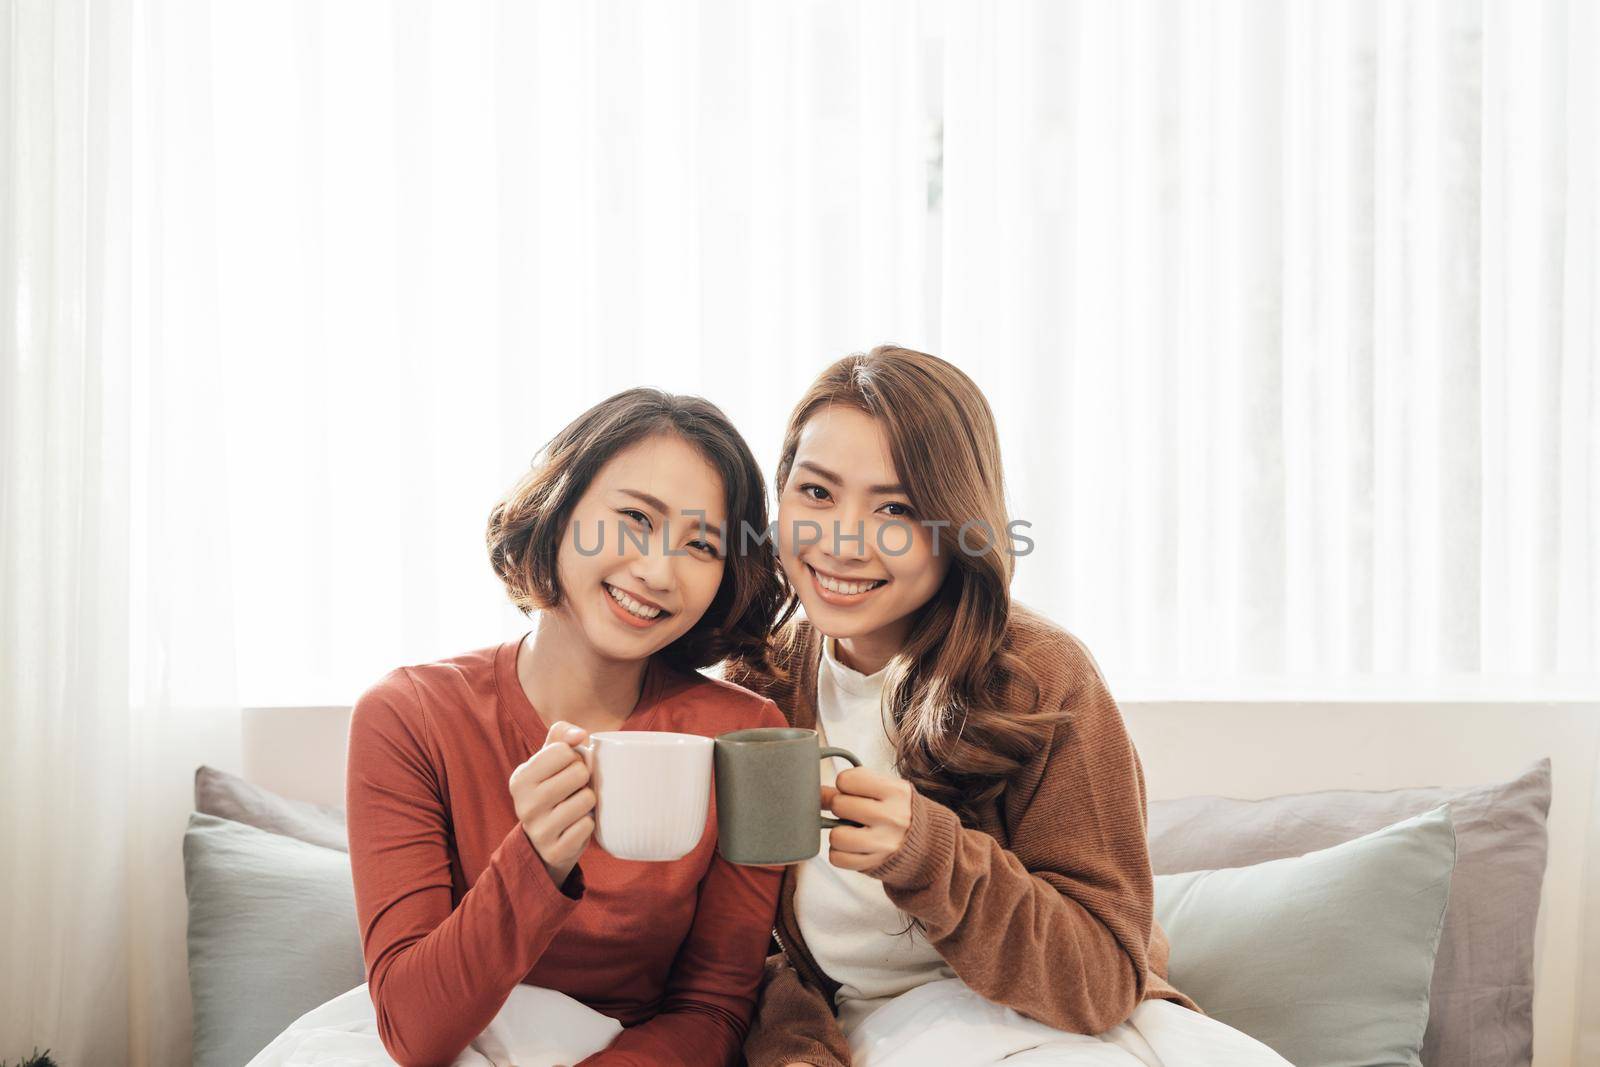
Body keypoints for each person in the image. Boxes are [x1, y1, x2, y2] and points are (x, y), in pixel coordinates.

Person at [727, 346, 1292, 1067]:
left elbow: (1104, 979)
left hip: (1076, 1028)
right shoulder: (759, 684)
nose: (844, 537)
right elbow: (754, 955)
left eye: (896, 506)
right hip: (896, 1032)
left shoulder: (1039, 675)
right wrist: (795, 1050)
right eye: (816, 493)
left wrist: (926, 851)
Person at [343, 388, 791, 1066]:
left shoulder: (753, 736)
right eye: (635, 518)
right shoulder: (408, 714)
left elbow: (716, 1007)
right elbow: (412, 1029)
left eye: (702, 543)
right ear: (558, 509)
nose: (656, 570)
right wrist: (537, 861)